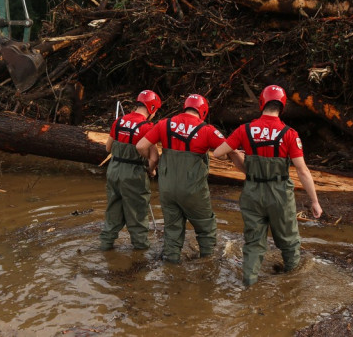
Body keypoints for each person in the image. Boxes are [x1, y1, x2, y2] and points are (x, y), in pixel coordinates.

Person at [213, 85, 322, 286]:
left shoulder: (244, 129)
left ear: (261, 103)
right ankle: (291, 286)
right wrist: (314, 201)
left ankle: (249, 285)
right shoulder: (289, 134)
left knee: (254, 243)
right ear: (282, 107)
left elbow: (218, 152)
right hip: (279, 194)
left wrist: (238, 154)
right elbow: (302, 171)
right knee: (289, 242)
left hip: (252, 192)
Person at [136, 94, 226, 263]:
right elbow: (225, 153)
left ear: (185, 107)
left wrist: (151, 166)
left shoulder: (165, 124)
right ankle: (207, 265)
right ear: (203, 111)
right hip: (194, 190)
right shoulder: (207, 129)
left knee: (172, 230)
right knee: (206, 228)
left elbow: (141, 145)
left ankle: (171, 267)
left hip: (167, 188)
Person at [100, 90, 162, 251]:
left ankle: (105, 246)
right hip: (134, 173)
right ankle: (140, 256)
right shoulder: (148, 127)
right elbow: (154, 158)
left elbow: (108, 148)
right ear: (152, 109)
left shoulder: (119, 121)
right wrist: (151, 170)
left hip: (114, 171)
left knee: (113, 211)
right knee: (137, 214)